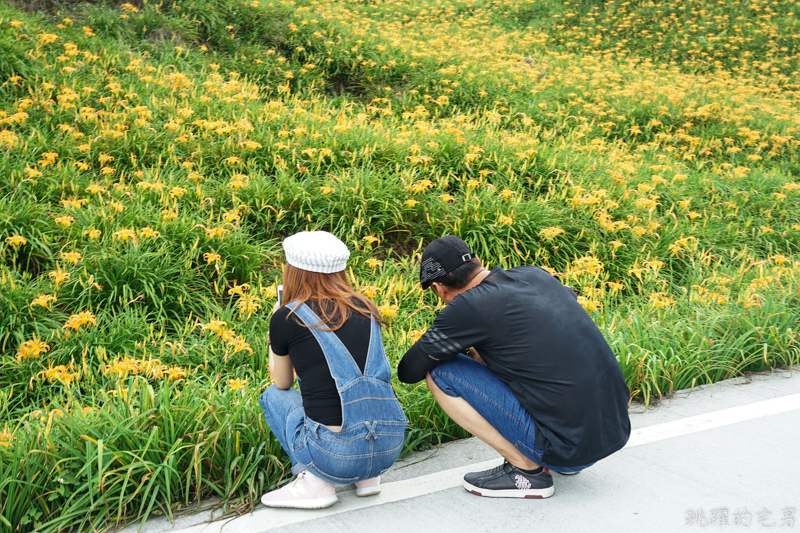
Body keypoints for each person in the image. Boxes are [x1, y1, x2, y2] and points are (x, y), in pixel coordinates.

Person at [397, 235, 631, 499]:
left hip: (564, 451)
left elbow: (409, 371)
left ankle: (526, 471)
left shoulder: (466, 307)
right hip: (612, 433)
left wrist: (458, 347)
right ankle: (562, 456)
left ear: (439, 288)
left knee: (440, 372)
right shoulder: (534, 274)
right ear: (477, 261)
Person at [259, 231, 408, 509]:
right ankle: (367, 479)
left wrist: (273, 331)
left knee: (272, 396)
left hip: (334, 453)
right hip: (388, 447)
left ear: (293, 271)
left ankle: (315, 482)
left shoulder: (287, 316)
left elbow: (282, 382)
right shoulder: (365, 306)